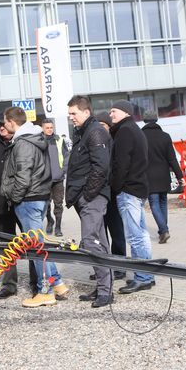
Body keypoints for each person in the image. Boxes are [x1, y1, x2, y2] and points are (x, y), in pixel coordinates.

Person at [0, 107, 69, 308]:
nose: (4, 125)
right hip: (37, 197)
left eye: (5, 121)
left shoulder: (23, 143)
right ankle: (57, 283)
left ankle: (44, 291)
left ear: (12, 122)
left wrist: (15, 197)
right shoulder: (35, 138)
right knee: (41, 244)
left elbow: (23, 175)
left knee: (37, 249)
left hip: (28, 199)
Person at [0, 121, 38, 299]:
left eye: (4, 124)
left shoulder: (23, 142)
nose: (0, 128)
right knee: (6, 247)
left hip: (23, 202)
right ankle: (9, 285)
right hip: (1, 204)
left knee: (32, 243)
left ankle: (37, 282)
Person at [66, 98, 114, 308]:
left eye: (74, 113)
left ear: (86, 112)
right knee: (99, 242)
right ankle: (103, 287)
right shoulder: (83, 132)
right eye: (69, 114)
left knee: (91, 242)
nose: (71, 117)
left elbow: (101, 168)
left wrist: (87, 195)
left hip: (92, 197)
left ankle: (106, 291)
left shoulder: (95, 132)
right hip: (85, 197)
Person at [108, 100, 155, 294]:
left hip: (129, 190)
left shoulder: (125, 131)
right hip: (136, 189)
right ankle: (144, 275)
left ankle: (143, 277)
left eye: (114, 111)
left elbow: (121, 164)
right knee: (141, 234)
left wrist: (116, 187)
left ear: (125, 112)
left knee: (135, 236)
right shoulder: (133, 129)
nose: (111, 115)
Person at [141, 111, 184, 245]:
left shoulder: (141, 136)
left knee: (154, 204)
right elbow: (172, 159)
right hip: (164, 175)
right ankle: (163, 231)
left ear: (144, 121)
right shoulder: (165, 136)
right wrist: (180, 176)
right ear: (156, 120)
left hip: (148, 175)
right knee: (163, 202)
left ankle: (164, 230)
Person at [95, 112, 126, 281]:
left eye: (104, 124)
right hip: (97, 195)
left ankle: (120, 266)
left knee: (117, 232)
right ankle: (103, 268)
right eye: (98, 124)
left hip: (112, 193)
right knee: (99, 235)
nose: (101, 128)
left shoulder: (114, 143)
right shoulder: (94, 142)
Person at [41, 118, 68, 237]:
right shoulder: (38, 140)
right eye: (47, 127)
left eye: (51, 127)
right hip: (44, 179)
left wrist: (63, 171)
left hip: (58, 179)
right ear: (42, 128)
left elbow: (67, 156)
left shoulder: (59, 140)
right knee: (45, 204)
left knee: (58, 204)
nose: (49, 130)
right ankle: (50, 221)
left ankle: (58, 226)